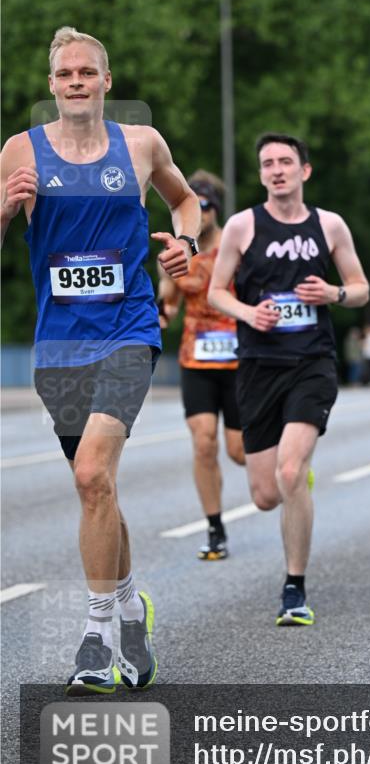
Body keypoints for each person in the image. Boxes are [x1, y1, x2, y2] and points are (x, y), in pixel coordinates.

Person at [0, 27, 200, 693]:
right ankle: (131, 607)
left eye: (87, 71)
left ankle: (96, 637)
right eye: (66, 74)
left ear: (106, 81)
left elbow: (186, 201)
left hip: (128, 332)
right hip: (59, 345)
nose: (77, 82)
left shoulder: (140, 144)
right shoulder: (20, 150)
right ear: (51, 84)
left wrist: (186, 245)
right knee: (98, 489)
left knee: (91, 474)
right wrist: (5, 207)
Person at [207, 132, 369, 625]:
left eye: (285, 161)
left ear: (304, 170)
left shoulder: (329, 225)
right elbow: (216, 292)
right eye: (268, 164)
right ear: (261, 175)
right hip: (258, 365)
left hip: (311, 362)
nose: (276, 170)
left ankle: (294, 589)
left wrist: (334, 294)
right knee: (265, 496)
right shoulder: (242, 226)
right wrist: (249, 313)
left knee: (291, 472)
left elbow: (361, 288)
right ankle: (291, 477)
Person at [157, 170, 245, 560]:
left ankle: (286, 467)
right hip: (196, 358)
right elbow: (169, 304)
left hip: (239, 360)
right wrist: (160, 314)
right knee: (204, 441)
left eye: (206, 205)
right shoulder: (177, 253)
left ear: (215, 209)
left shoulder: (237, 245)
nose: (201, 212)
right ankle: (214, 529)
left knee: (239, 451)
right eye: (196, 204)